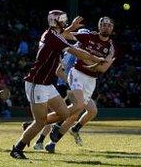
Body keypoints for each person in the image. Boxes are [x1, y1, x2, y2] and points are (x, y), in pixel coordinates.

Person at [8, 11, 105, 160]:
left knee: (64, 114)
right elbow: (77, 52)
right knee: (41, 122)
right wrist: (96, 59)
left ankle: (32, 126)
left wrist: (72, 26)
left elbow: (64, 36)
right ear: (56, 22)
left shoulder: (53, 34)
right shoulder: (53, 37)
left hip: (46, 83)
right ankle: (17, 148)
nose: (65, 22)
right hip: (36, 83)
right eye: (63, 20)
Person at [43, 17, 117, 152]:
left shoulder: (111, 48)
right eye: (104, 24)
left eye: (109, 25)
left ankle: (52, 143)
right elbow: (63, 35)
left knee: (76, 113)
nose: (106, 27)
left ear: (112, 28)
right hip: (77, 73)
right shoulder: (88, 36)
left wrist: (87, 59)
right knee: (80, 105)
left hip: (91, 80)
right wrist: (71, 26)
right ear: (99, 27)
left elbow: (102, 69)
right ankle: (49, 122)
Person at [33, 52, 76, 151]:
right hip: (66, 86)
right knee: (63, 114)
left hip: (70, 86)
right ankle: (41, 138)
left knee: (69, 114)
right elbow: (60, 70)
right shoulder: (73, 52)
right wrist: (72, 84)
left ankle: (43, 141)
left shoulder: (79, 51)